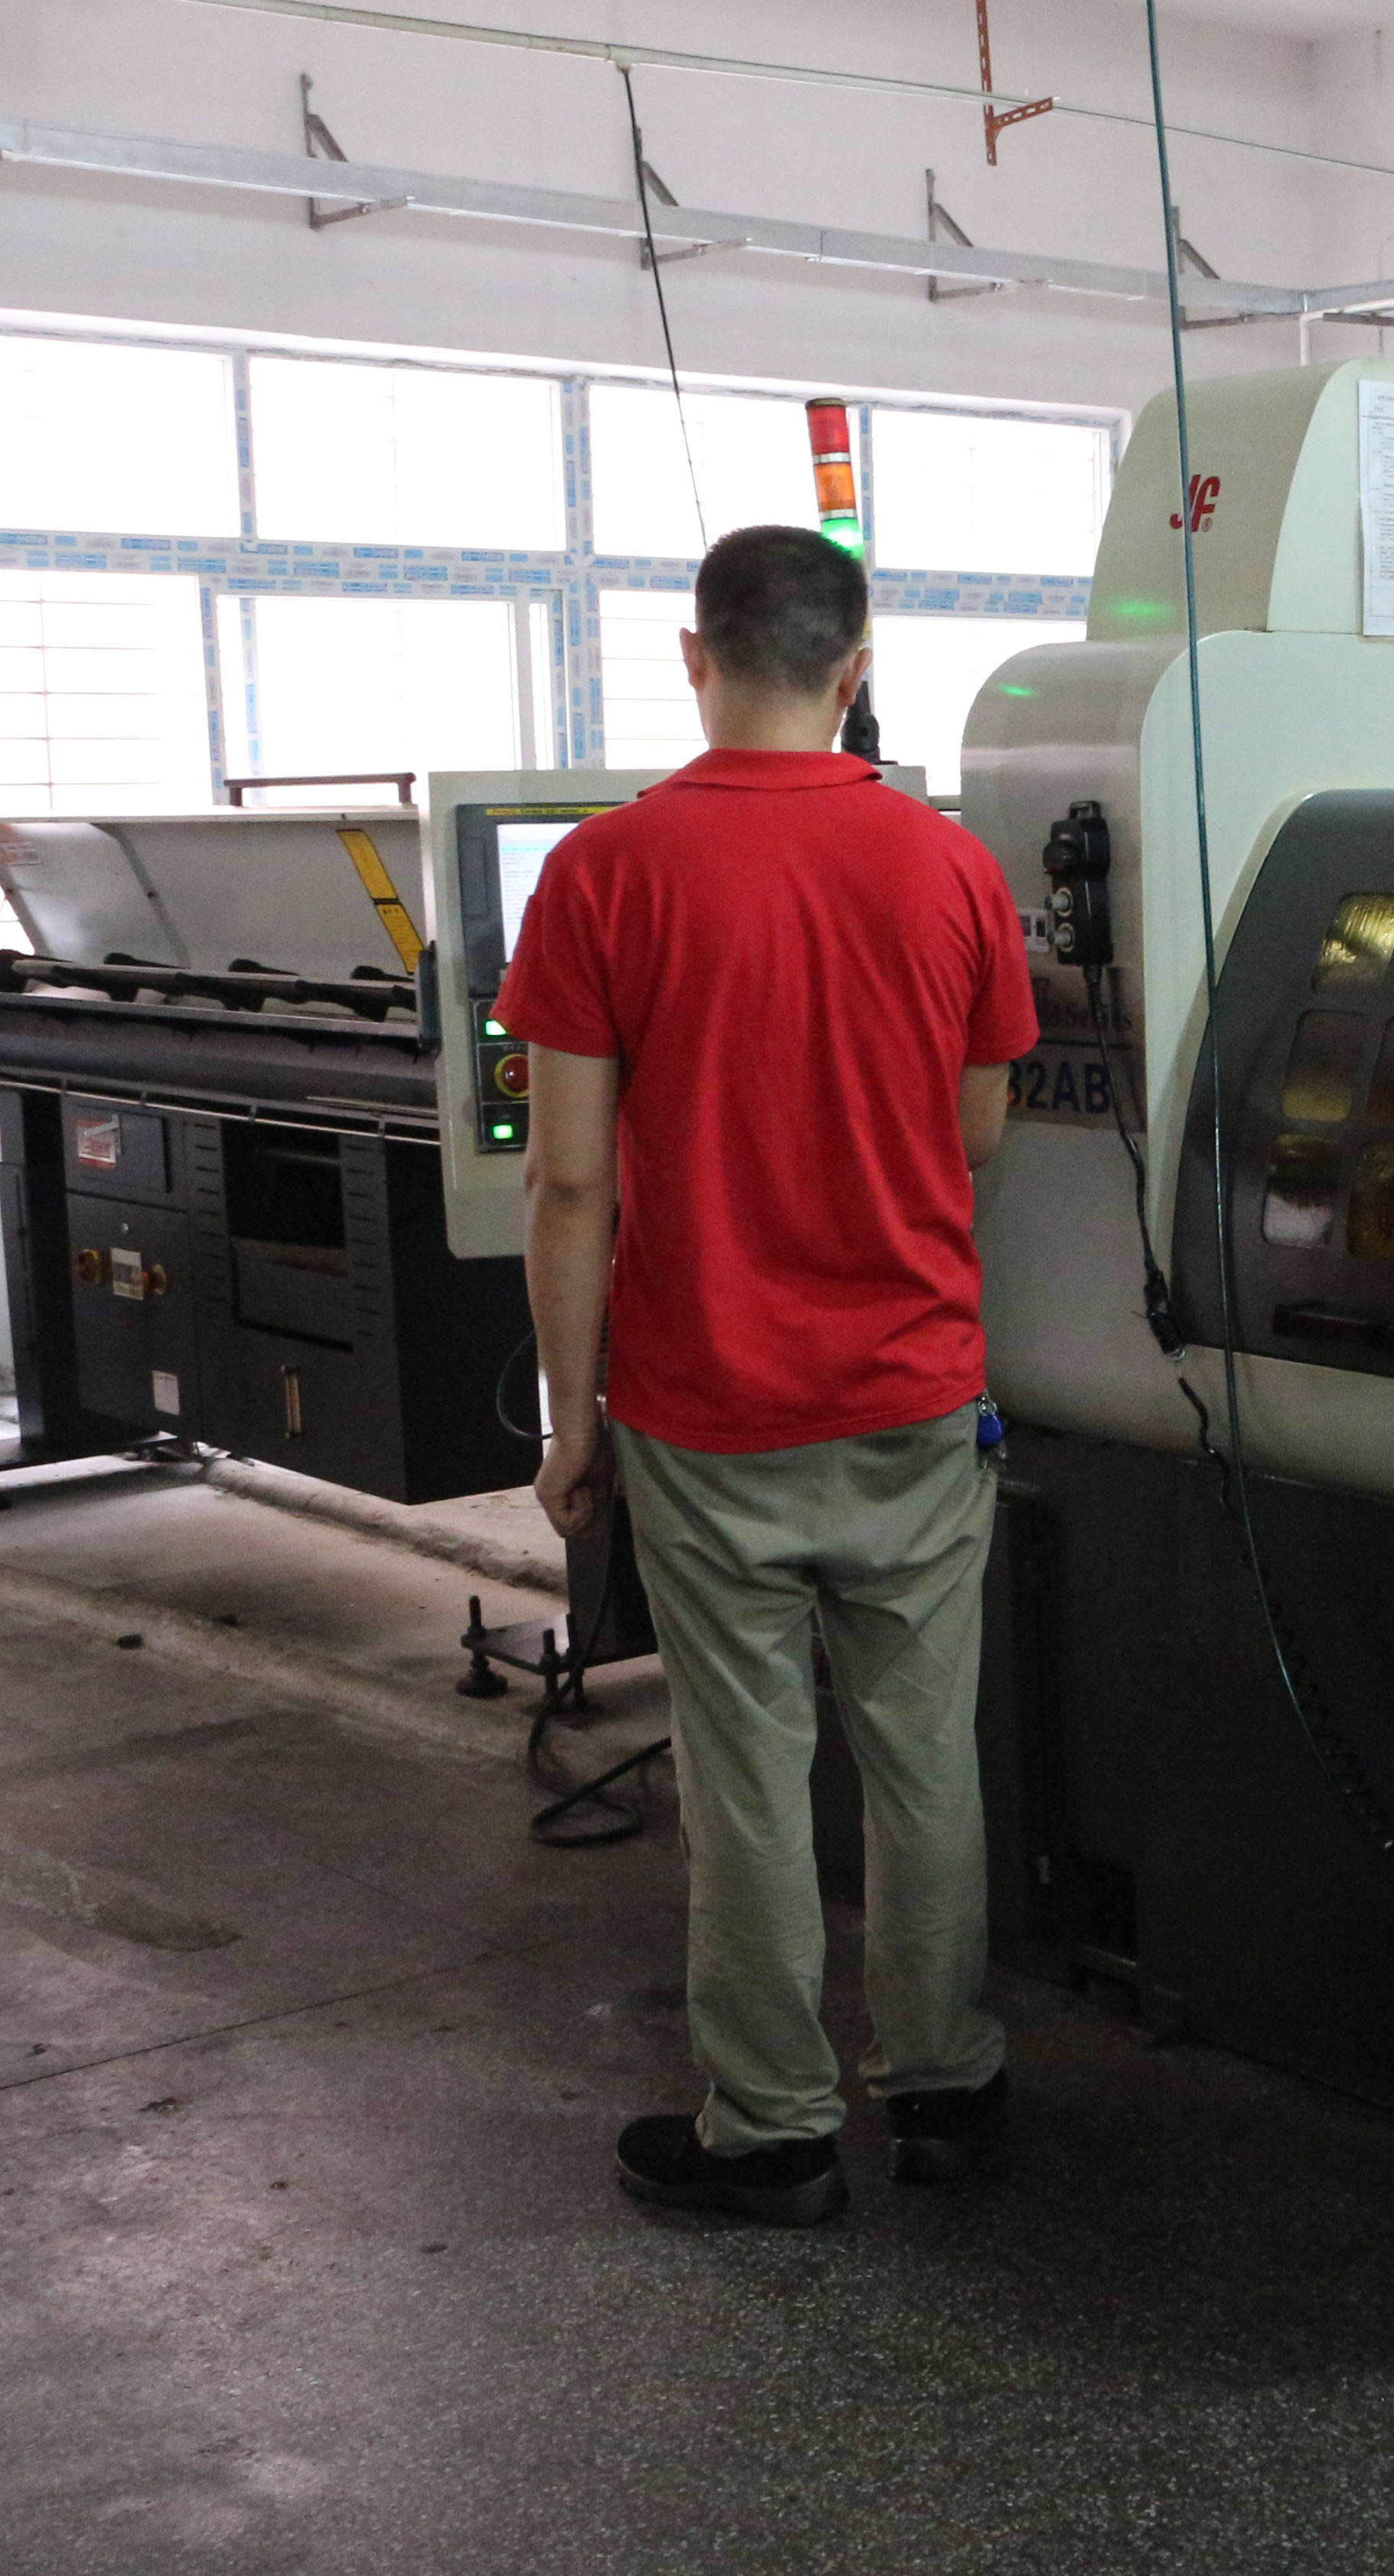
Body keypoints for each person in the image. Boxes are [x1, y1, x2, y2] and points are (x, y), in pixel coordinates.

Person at [499, 524, 1040, 2228]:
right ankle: (944, 2087)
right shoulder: (947, 866)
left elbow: (567, 1181)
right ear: (856, 668)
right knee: (925, 1759)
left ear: (694, 657)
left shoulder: (605, 872)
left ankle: (776, 2130)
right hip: (913, 1396)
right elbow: (979, 1131)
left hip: (706, 1410)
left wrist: (570, 1420)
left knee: (745, 1776)